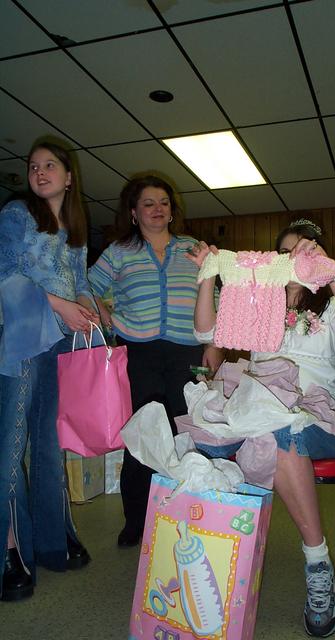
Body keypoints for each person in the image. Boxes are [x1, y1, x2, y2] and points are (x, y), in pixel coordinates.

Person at [186, 218, 335, 638]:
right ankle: (206, 564)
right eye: (286, 252)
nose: (294, 258)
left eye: (305, 250)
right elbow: (206, 332)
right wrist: (208, 276)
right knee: (203, 443)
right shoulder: (259, 298)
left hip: (322, 417)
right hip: (261, 412)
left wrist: (331, 272)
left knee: (281, 432)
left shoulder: (328, 305)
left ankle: (317, 563)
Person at [88, 174, 224, 548]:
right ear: (133, 213)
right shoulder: (118, 252)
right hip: (139, 354)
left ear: (172, 211)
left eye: (163, 202)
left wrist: (214, 344)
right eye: (148, 203)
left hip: (187, 352)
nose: (157, 209)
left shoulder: (192, 249)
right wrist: (107, 317)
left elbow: (214, 298)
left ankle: (182, 516)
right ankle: (136, 520)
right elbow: (86, 286)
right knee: (143, 436)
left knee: (186, 433)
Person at [0, 140, 99, 601]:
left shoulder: (74, 229)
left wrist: (88, 310)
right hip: (22, 338)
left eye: (50, 165)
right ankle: (10, 547)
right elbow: (5, 272)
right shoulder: (17, 213)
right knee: (10, 445)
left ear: (69, 176)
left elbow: (80, 282)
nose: (40, 172)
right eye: (33, 166)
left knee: (48, 444)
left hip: (59, 342)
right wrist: (61, 304)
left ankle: (52, 536)